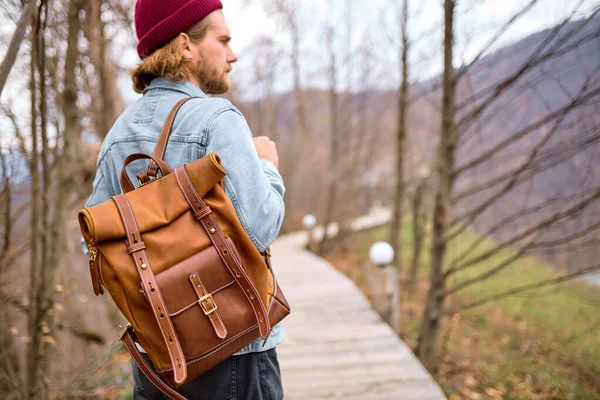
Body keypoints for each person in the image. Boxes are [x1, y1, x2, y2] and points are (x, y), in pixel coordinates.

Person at [81, 0, 286, 398]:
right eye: (222, 40)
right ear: (186, 46)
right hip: (236, 348)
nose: (232, 54)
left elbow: (95, 245)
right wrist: (266, 166)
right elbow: (258, 228)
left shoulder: (117, 137)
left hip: (157, 358)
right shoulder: (217, 118)